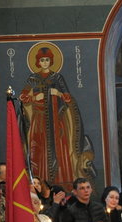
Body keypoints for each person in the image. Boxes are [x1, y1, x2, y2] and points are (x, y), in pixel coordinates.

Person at [20, 46, 92, 186]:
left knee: (59, 148)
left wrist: (57, 93)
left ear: (51, 61)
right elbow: (23, 97)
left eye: (47, 60)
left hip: (57, 121)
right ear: (38, 62)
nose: (45, 62)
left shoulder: (57, 77)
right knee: (39, 149)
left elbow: (67, 97)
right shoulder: (33, 78)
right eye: (42, 60)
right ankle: (40, 182)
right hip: (39, 121)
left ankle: (61, 181)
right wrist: (35, 97)